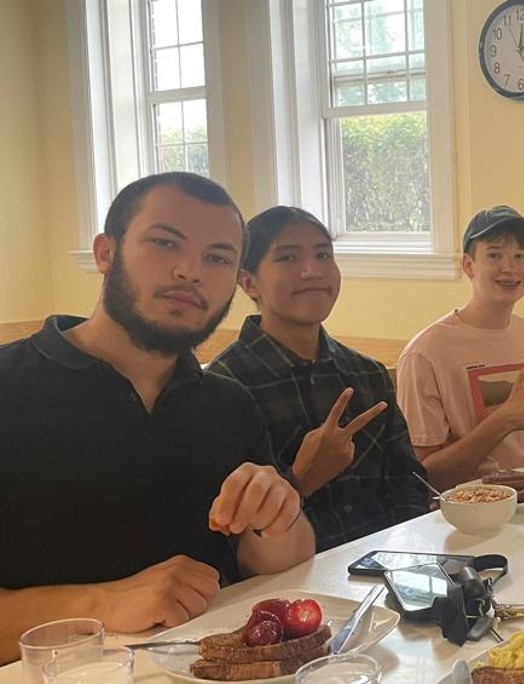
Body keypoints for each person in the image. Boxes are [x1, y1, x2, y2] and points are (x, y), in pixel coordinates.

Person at [0, 173, 314, 664]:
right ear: (105, 253)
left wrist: (280, 514)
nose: (190, 271)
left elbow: (276, 561)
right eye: (166, 243)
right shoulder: (11, 387)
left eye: (217, 258)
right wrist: (102, 604)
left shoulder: (228, 403)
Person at [208, 206, 431, 553]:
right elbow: (228, 529)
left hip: (389, 565)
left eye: (323, 254)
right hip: (290, 585)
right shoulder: (223, 388)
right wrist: (300, 479)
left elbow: (409, 481)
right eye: (287, 257)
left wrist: (406, 555)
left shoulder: (367, 374)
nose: (312, 271)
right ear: (249, 282)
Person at [396, 206, 524, 489]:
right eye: (494, 255)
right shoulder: (425, 352)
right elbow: (423, 476)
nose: (509, 268)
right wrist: (502, 420)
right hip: (467, 517)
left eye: (520, 256)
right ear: (469, 266)